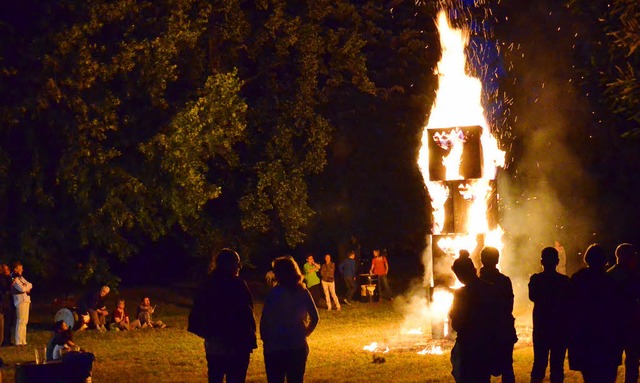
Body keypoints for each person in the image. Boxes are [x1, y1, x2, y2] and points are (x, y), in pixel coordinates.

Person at [188, 248, 257, 383]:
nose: (239, 266)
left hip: (216, 346)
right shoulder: (237, 284)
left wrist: (210, 335)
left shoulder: (207, 285)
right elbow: (247, 312)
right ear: (228, 264)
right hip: (237, 345)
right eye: (237, 262)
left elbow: (196, 317)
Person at [568, 243, 624, 383]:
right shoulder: (610, 281)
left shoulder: (578, 279)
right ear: (604, 260)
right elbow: (618, 312)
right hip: (607, 338)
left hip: (585, 337)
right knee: (608, 376)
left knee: (590, 376)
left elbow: (569, 307)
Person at [261, 256, 319, 383]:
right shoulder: (303, 292)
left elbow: (265, 319)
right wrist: (305, 332)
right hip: (296, 345)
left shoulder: (274, 293)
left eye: (275, 270)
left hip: (275, 347)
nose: (274, 273)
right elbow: (315, 317)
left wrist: (266, 339)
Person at [449, 256, 498, 383]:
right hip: (486, 343)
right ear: (474, 270)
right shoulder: (490, 289)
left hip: (468, 346)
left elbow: (456, 323)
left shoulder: (460, 294)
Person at [528, 247, 570, 383]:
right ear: (557, 261)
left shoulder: (536, 280)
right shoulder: (564, 281)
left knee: (539, 364)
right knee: (557, 366)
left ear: (542, 261)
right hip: (560, 328)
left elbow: (532, 297)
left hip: (542, 328)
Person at [478, 246, 517, 383]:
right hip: (503, 331)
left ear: (481, 259)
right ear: (497, 259)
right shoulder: (504, 281)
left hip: (483, 333)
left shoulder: (476, 284)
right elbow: (509, 306)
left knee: (483, 372)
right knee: (507, 369)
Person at [607, 243, 640, 383]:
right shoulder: (634, 277)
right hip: (630, 325)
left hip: (614, 325)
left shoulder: (609, 275)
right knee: (632, 362)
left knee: (612, 363)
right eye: (633, 256)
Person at [11, 261, 32, 346]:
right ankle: (18, 341)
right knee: (20, 321)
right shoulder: (14, 278)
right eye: (20, 269)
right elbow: (21, 288)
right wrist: (26, 288)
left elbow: (30, 284)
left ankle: (23, 340)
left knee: (25, 321)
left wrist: (26, 287)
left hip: (26, 300)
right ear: (16, 269)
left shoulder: (20, 277)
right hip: (20, 301)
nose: (22, 270)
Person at [0, 263, 12, 346]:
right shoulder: (2, 279)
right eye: (6, 269)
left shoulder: (7, 278)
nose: (8, 271)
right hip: (2, 303)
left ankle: (7, 340)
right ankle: (3, 340)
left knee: (8, 322)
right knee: (2, 323)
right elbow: (5, 289)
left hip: (7, 302)